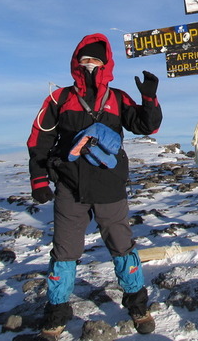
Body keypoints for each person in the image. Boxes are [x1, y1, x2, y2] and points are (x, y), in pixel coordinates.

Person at [27, 33, 162, 339]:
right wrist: (38, 179)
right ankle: (57, 313)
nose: (90, 65)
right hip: (69, 187)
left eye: (96, 60)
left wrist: (150, 99)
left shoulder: (117, 98)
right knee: (64, 251)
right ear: (77, 62)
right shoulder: (58, 99)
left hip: (109, 185)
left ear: (106, 64)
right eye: (85, 59)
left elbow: (147, 126)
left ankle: (138, 306)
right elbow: (39, 140)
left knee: (122, 246)